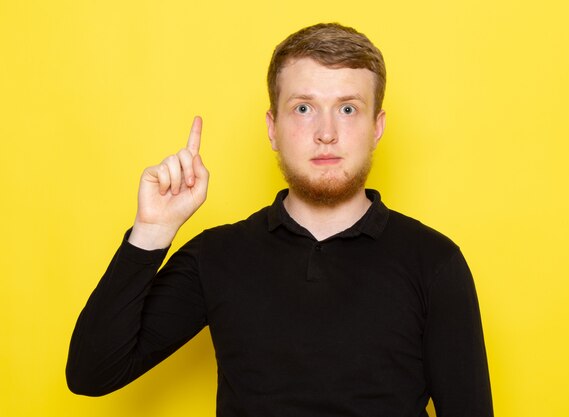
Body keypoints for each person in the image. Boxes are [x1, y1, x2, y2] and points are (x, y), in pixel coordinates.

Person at [66, 23, 494, 417]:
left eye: (348, 109)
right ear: (272, 127)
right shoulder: (217, 257)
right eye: (303, 108)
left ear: (376, 126)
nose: (326, 132)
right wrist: (151, 233)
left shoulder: (435, 262)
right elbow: (92, 374)